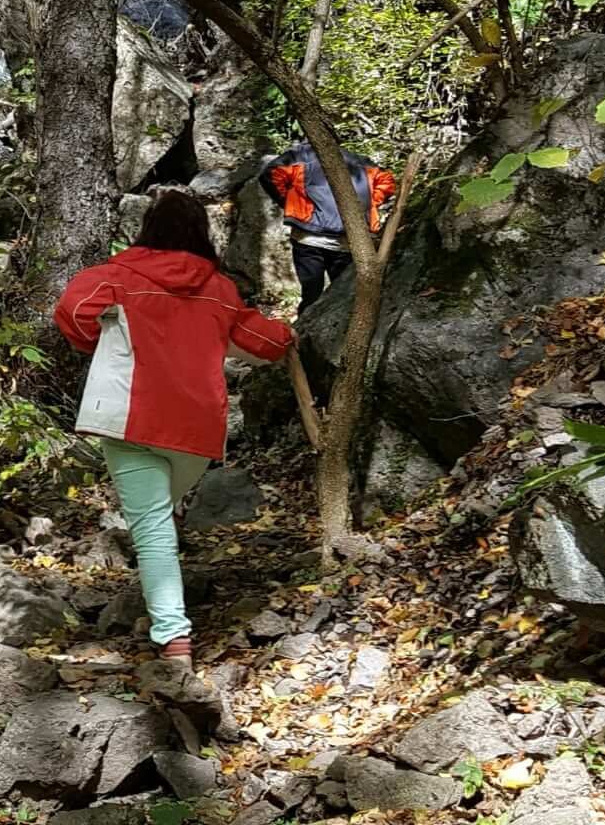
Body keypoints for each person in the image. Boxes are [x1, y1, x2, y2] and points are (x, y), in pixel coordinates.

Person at [53, 191, 293, 665]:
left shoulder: (115, 276)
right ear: (202, 233)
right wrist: (288, 333)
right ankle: (167, 601)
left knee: (152, 529)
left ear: (148, 228)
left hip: (130, 418)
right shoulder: (220, 289)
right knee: (160, 515)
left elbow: (73, 313)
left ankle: (173, 637)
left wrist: (101, 340)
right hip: (197, 427)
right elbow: (262, 342)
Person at [258, 141, 398, 312]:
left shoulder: (301, 155)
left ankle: (305, 326)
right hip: (346, 241)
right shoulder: (359, 161)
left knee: (311, 295)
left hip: (308, 238)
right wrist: (366, 206)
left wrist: (292, 203)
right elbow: (387, 183)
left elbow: (270, 175)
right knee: (343, 297)